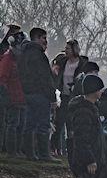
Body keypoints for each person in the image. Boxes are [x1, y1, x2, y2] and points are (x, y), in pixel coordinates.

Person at [65, 74, 107, 178]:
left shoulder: (90, 108)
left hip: (90, 158)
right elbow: (82, 139)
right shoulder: (84, 111)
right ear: (94, 91)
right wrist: (90, 160)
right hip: (85, 161)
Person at [18, 27, 57, 161]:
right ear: (38, 38)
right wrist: (52, 96)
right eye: (44, 38)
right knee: (43, 124)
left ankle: (30, 153)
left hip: (28, 93)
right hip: (41, 94)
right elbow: (45, 77)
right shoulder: (39, 55)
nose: (46, 41)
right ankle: (44, 154)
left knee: (29, 124)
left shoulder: (24, 53)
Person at [52, 40, 88, 155]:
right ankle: (55, 148)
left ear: (74, 50)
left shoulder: (82, 63)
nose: (66, 50)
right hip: (64, 96)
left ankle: (72, 151)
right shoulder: (63, 61)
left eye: (68, 48)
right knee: (59, 122)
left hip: (76, 97)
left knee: (72, 124)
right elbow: (55, 64)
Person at [0, 26, 26, 157]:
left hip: (21, 97)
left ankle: (18, 150)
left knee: (21, 125)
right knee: (13, 124)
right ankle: (11, 151)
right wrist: (7, 96)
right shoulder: (7, 59)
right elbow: (2, 79)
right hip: (12, 98)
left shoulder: (20, 60)